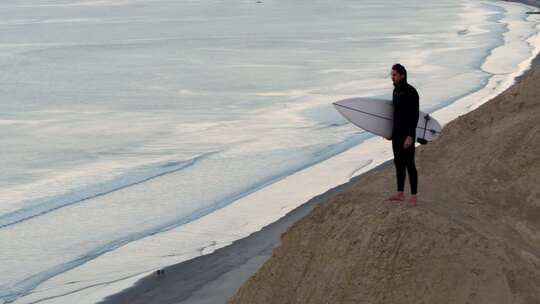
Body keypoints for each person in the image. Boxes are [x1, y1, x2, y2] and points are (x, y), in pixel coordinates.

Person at [385, 63, 419, 207]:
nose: (392, 77)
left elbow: (414, 115)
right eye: (391, 75)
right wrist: (389, 133)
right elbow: (395, 115)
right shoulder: (396, 91)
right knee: (398, 163)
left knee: (409, 164)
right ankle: (400, 193)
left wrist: (410, 136)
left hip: (407, 134)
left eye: (394, 75)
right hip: (397, 134)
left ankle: (413, 196)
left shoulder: (411, 91)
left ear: (402, 75)